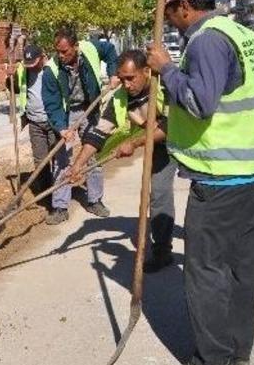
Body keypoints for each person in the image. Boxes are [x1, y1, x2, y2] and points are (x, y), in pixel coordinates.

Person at [146, 0, 254, 365]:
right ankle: (238, 352)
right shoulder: (242, 33)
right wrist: (243, 119)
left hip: (222, 178)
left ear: (184, 7)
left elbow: (200, 103)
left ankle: (212, 364)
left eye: (173, 14)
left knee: (205, 270)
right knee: (243, 268)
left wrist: (169, 70)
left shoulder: (206, 40)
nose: (172, 22)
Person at [65, 50, 176, 272]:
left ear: (146, 71)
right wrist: (78, 165)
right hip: (158, 146)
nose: (125, 84)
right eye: (122, 78)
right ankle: (163, 250)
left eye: (130, 78)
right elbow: (98, 133)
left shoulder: (166, 85)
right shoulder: (120, 98)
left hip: (185, 140)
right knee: (159, 195)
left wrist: (134, 143)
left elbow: (171, 127)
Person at [42, 27, 111, 225]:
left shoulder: (90, 48)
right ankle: (60, 207)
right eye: (58, 51)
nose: (61, 55)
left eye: (65, 51)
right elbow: (52, 103)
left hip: (89, 108)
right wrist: (61, 127)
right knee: (63, 159)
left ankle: (95, 200)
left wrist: (114, 72)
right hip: (66, 114)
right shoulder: (51, 70)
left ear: (76, 47)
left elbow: (110, 52)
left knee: (92, 156)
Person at [7, 44, 56, 209]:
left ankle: (59, 197)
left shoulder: (53, 69)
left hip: (53, 122)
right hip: (34, 122)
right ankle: (46, 195)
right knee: (40, 161)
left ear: (42, 57)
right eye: (28, 64)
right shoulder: (24, 69)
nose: (31, 68)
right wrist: (10, 76)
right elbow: (13, 86)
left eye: (34, 63)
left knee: (57, 160)